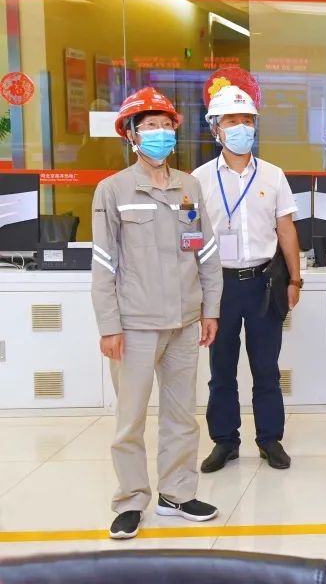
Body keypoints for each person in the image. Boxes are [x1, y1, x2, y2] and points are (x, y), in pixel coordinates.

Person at [91, 87, 222, 540]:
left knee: (182, 415)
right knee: (130, 420)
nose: (160, 134)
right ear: (131, 135)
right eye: (150, 127)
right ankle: (131, 500)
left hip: (185, 321)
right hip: (135, 325)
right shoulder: (113, 190)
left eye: (166, 125)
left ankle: (177, 494)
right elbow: (104, 263)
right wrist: (109, 325)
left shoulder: (189, 186)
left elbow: (205, 251)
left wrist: (210, 309)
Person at [193, 83, 303, 474]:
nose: (241, 127)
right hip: (218, 285)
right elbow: (191, 236)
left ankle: (270, 439)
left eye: (247, 120)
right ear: (215, 128)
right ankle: (225, 441)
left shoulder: (273, 176)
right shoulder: (199, 179)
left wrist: (295, 279)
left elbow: (286, 229)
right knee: (221, 370)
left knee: (266, 368)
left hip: (263, 283)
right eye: (231, 120)